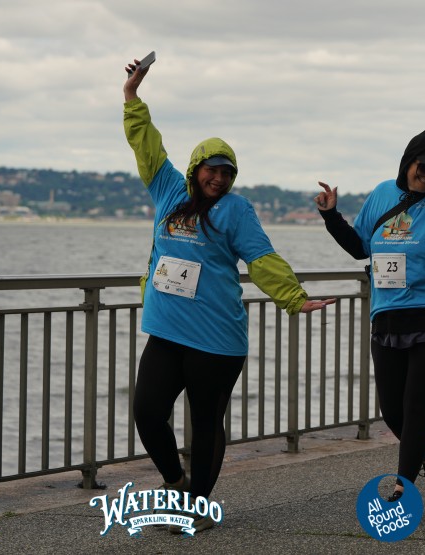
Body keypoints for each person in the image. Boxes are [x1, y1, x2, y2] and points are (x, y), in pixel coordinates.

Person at [122, 56, 334, 534]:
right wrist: (132, 96)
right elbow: (145, 141)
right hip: (167, 330)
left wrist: (294, 297)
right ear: (196, 168)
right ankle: (176, 482)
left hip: (216, 339)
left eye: (227, 173)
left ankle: (197, 508)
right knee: (147, 412)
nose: (219, 179)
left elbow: (261, 258)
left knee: (206, 421)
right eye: (212, 170)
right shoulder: (168, 188)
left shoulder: (237, 210)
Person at [315, 129, 425, 503]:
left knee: (416, 405)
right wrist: (331, 216)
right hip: (389, 315)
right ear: (407, 162)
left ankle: (403, 487)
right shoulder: (382, 194)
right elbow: (359, 247)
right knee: (392, 411)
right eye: (424, 167)